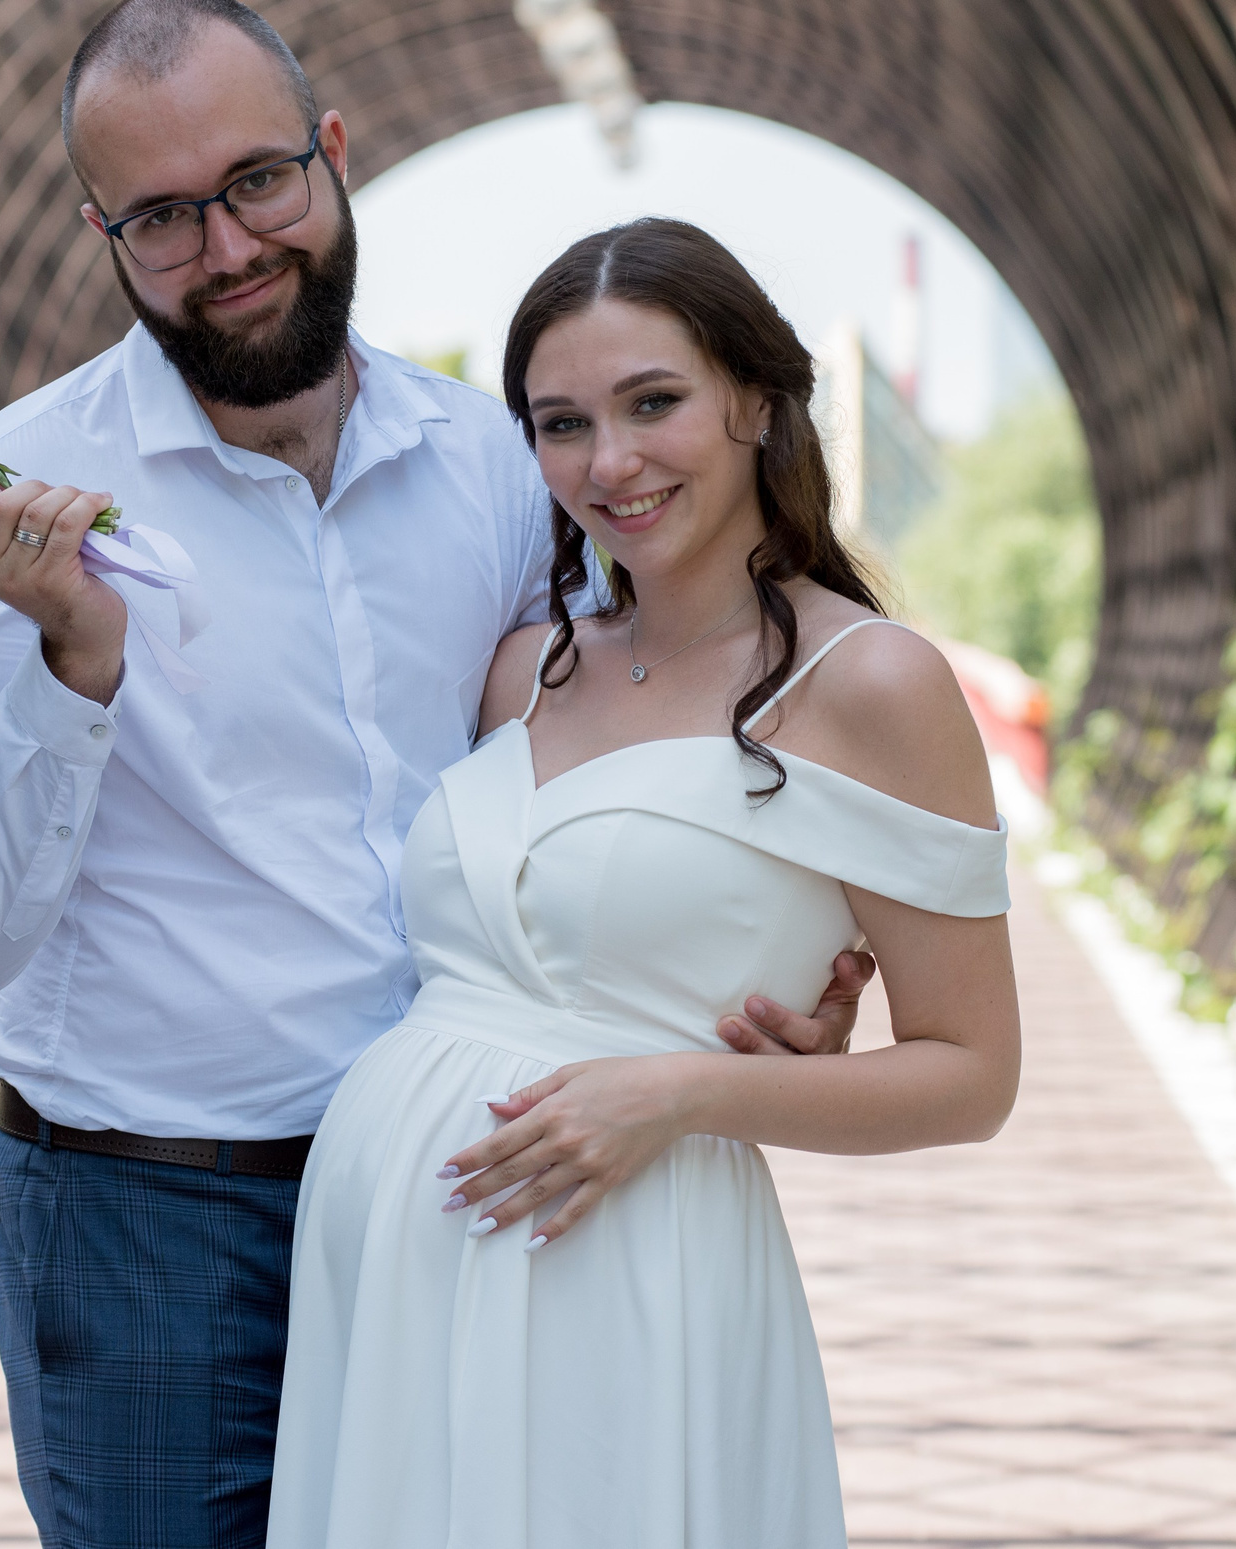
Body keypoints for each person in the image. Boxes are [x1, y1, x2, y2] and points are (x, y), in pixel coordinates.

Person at [0, 0, 868, 1549]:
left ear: (333, 155)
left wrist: (775, 956)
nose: (225, 247)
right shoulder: (26, 498)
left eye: (259, 182)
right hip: (150, 1228)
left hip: (460, 1198)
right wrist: (71, 667)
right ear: (101, 232)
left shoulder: (497, 462)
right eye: (161, 217)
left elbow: (630, 748)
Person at [267, 219, 1022, 1548]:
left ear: (755, 399)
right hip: (390, 1270)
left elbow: (974, 1071)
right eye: (562, 424)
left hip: (627, 1261)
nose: (608, 462)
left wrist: (686, 1088)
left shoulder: (873, 685)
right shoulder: (525, 668)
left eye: (653, 402)